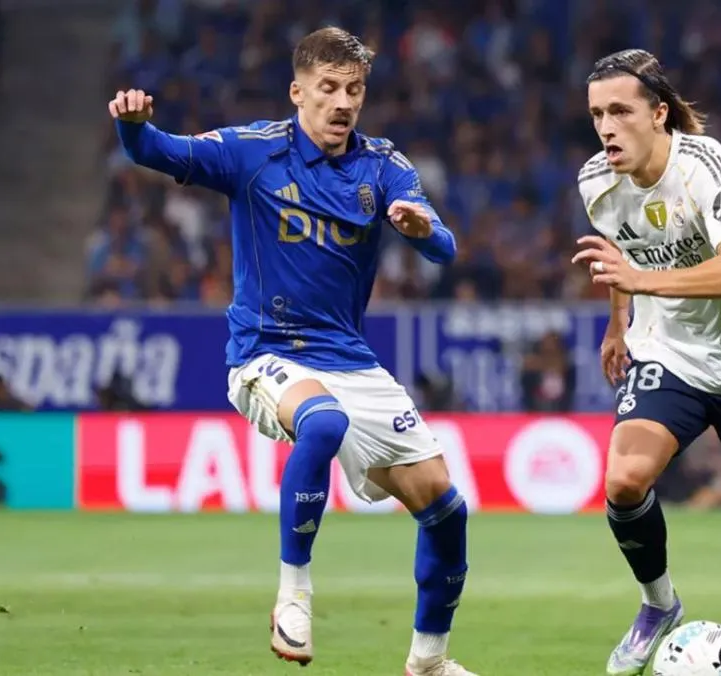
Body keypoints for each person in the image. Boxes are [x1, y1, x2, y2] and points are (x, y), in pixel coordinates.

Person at [108, 27, 476, 676]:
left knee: (445, 509)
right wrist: (132, 126)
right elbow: (157, 151)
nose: (343, 102)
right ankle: (294, 595)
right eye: (328, 88)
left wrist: (423, 231)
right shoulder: (253, 152)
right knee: (323, 421)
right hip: (265, 353)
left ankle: (429, 661)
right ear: (297, 92)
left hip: (350, 360)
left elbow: (443, 246)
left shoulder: (383, 166)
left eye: (354, 90)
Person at [573, 48, 721, 676]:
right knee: (624, 479)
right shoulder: (596, 180)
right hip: (670, 353)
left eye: (620, 111)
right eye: (597, 114)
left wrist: (641, 283)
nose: (606, 127)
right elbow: (622, 250)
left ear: (658, 113)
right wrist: (618, 321)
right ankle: (659, 603)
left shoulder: (708, 168)